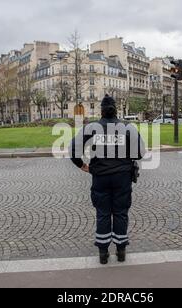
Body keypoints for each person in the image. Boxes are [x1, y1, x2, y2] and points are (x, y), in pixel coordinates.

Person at [70, 95, 145, 265]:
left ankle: (103, 253)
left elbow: (73, 149)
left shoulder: (92, 128)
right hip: (122, 177)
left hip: (100, 177)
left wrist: (82, 165)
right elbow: (140, 152)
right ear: (116, 110)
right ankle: (121, 250)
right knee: (120, 212)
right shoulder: (128, 127)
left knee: (103, 213)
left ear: (101, 111)